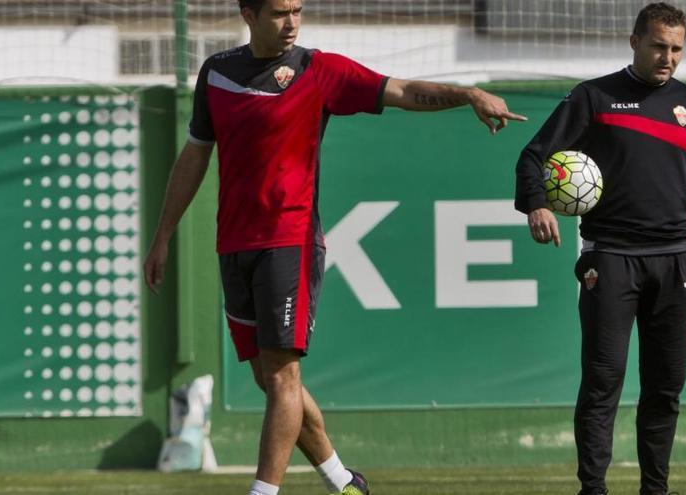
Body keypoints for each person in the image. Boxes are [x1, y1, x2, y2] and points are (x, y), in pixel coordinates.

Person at [142, 1, 526, 494]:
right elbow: (195, 154)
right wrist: (163, 236)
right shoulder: (216, 74)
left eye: (298, 10)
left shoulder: (318, 70)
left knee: (283, 376)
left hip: (290, 240)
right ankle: (344, 483)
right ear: (248, 13)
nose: (292, 21)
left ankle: (264, 492)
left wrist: (468, 93)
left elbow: (404, 91)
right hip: (234, 245)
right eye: (280, 11)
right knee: (272, 380)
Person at [514, 3, 686, 495]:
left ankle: (655, 489)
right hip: (610, 259)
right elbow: (534, 155)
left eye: (677, 48)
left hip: (677, 260)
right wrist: (537, 204)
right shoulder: (593, 97)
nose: (668, 57)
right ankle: (593, 488)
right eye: (659, 45)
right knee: (602, 382)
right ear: (633, 41)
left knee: (664, 389)